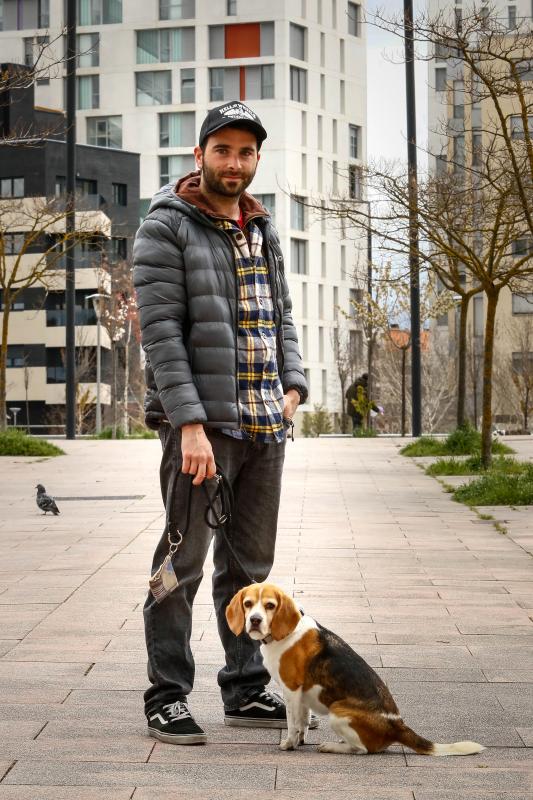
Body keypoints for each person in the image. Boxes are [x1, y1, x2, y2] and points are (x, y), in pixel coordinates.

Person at [133, 101, 308, 746]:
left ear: (257, 159)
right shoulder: (166, 227)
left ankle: (245, 689)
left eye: (246, 152)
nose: (234, 163)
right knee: (181, 563)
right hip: (202, 430)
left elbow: (282, 314)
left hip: (266, 425)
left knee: (250, 567)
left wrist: (294, 385)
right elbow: (162, 336)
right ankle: (167, 697)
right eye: (222, 150)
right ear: (201, 153)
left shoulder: (262, 229)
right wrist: (189, 427)